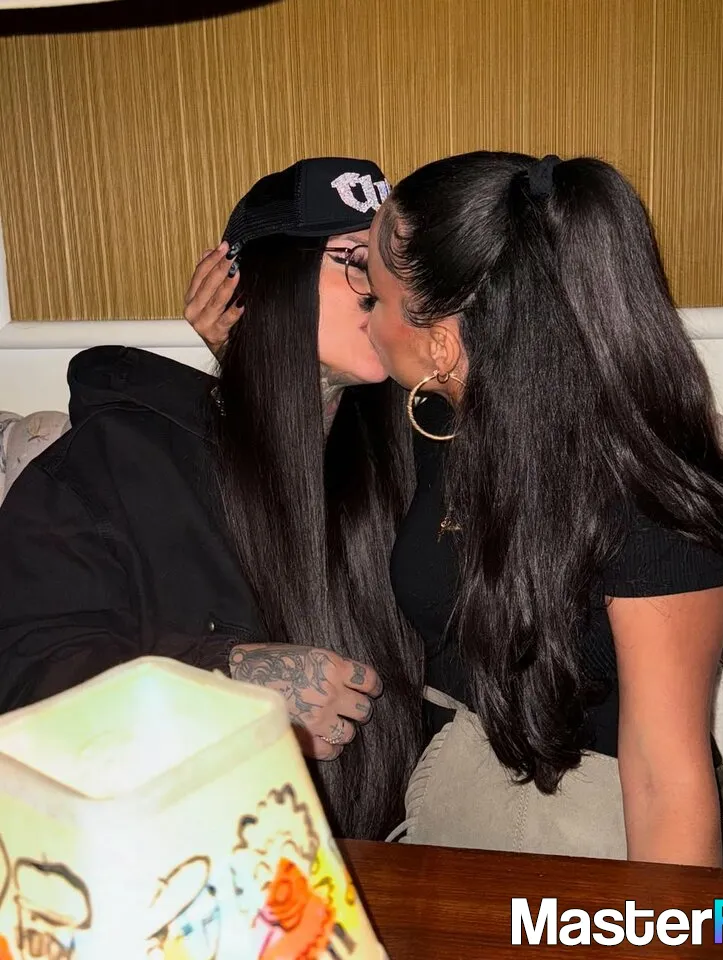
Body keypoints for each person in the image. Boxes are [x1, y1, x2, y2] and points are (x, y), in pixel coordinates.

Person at [353, 151, 723, 867]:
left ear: (440, 340)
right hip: (463, 806)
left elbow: (664, 782)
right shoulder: (443, 420)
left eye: (373, 297)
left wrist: (658, 927)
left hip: (598, 842)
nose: (365, 320)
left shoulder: (650, 501)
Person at [0, 158, 423, 840]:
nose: (383, 286)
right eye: (354, 259)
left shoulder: (416, 449)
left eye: (397, 265)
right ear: (252, 286)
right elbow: (29, 672)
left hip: (411, 852)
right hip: (202, 852)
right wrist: (223, 676)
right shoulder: (117, 460)